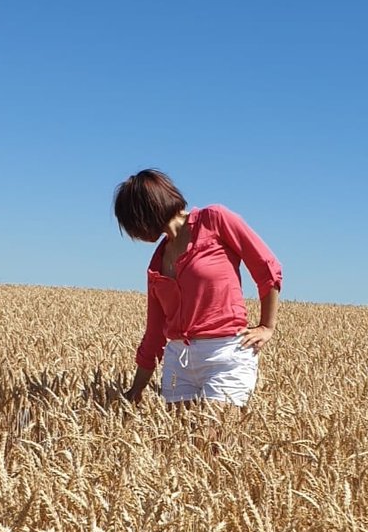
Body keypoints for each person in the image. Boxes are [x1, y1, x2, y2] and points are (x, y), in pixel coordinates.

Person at [113, 169, 282, 406]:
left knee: (216, 440)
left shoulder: (215, 219)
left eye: (131, 222)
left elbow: (266, 267)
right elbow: (154, 333)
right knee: (178, 441)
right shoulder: (157, 261)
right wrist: (136, 390)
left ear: (145, 212)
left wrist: (267, 326)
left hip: (225, 354)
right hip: (178, 361)